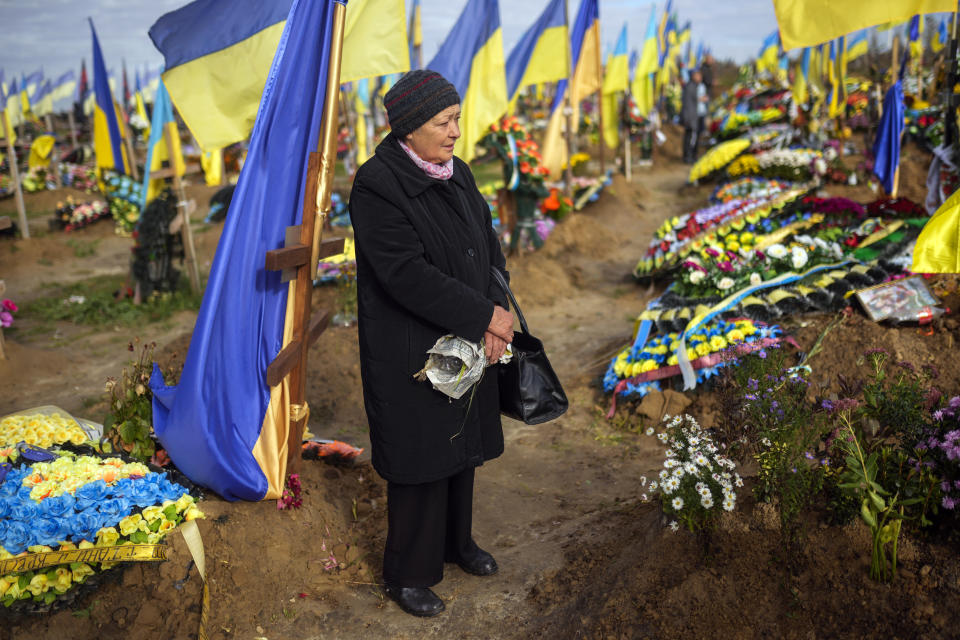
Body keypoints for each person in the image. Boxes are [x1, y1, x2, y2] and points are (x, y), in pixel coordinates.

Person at [348, 70, 514, 618]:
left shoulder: (457, 172)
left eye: (456, 119)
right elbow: (405, 274)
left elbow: (486, 245)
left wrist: (497, 314)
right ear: (410, 128)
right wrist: (482, 314)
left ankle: (456, 544)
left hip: (467, 334)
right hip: (413, 346)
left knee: (460, 443)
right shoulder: (377, 184)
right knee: (421, 456)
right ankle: (409, 573)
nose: (455, 132)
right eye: (444, 122)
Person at [681, 70, 703, 164]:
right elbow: (688, 104)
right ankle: (688, 157)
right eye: (698, 76)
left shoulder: (692, 86)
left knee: (689, 137)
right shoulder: (690, 86)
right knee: (690, 138)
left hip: (690, 116)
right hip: (690, 117)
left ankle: (688, 156)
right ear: (694, 76)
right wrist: (687, 118)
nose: (700, 78)